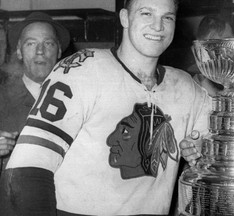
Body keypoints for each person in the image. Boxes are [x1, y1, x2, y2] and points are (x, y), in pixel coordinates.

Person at [0, 0, 211, 215]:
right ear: (124, 18)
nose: (158, 26)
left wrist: (202, 149)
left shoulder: (187, 87)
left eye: (167, 17)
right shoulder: (80, 71)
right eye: (146, 13)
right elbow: (27, 169)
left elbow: (222, 150)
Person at [0, 12, 70, 175]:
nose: (40, 51)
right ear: (19, 51)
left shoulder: (76, 98)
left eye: (48, 44)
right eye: (31, 44)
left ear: (59, 51)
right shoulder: (2, 98)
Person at [189, 15, 233, 97]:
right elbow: (215, 95)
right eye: (227, 39)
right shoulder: (193, 78)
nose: (232, 45)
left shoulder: (231, 69)